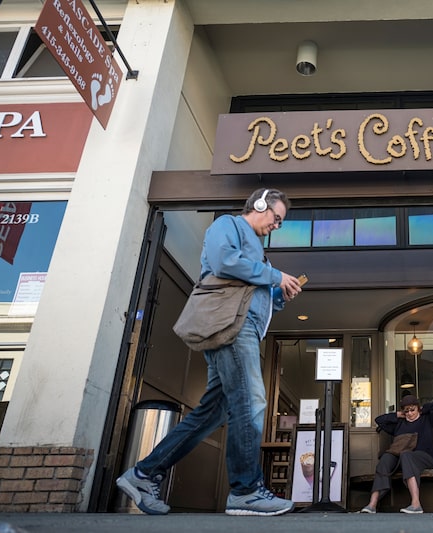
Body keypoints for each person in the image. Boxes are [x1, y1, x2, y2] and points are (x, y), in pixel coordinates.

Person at [116, 188, 303, 516]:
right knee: (252, 399)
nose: (277, 226)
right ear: (259, 205)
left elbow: (252, 292)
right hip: (230, 328)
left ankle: (143, 474)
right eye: (277, 218)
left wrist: (278, 295)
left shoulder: (258, 253)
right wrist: (275, 276)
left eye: (280, 223)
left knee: (213, 412)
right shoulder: (228, 226)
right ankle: (246, 490)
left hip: (237, 327)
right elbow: (223, 261)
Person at [360, 395, 433, 514]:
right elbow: (379, 420)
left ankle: (416, 504)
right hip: (401, 459)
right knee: (386, 458)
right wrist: (397, 415)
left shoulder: (426, 419)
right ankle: (372, 504)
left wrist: (422, 409)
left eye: (412, 409)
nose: (409, 413)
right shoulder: (400, 423)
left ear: (418, 408)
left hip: (424, 457)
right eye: (406, 411)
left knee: (406, 455)